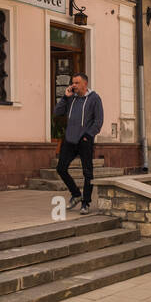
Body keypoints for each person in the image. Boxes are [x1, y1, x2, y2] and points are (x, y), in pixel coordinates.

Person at [54, 73, 104, 214]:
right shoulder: (71, 98)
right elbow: (57, 113)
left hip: (84, 141)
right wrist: (65, 97)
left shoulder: (94, 98)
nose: (73, 85)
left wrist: (88, 136)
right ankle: (76, 194)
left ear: (84, 84)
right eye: (73, 83)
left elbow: (98, 121)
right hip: (69, 140)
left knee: (87, 172)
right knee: (61, 168)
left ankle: (85, 203)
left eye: (76, 83)